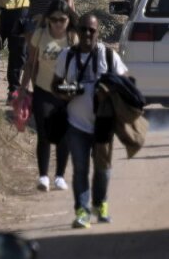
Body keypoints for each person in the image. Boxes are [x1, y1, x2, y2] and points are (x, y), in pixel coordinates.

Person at [53, 13, 129, 229]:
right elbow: (55, 85)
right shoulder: (66, 56)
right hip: (76, 124)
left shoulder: (108, 55)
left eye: (92, 30)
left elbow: (125, 79)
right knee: (80, 169)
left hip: (103, 123)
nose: (87, 34)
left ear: (98, 32)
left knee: (103, 169)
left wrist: (108, 89)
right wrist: (67, 91)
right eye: (83, 29)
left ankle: (100, 204)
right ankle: (82, 211)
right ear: (76, 31)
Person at [20, 0, 75, 192]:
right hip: (43, 90)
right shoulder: (40, 35)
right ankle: (43, 176)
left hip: (66, 94)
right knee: (43, 135)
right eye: (54, 20)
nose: (59, 23)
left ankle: (59, 176)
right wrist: (22, 90)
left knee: (63, 136)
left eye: (62, 19)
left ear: (68, 19)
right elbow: (30, 64)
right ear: (48, 20)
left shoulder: (72, 38)